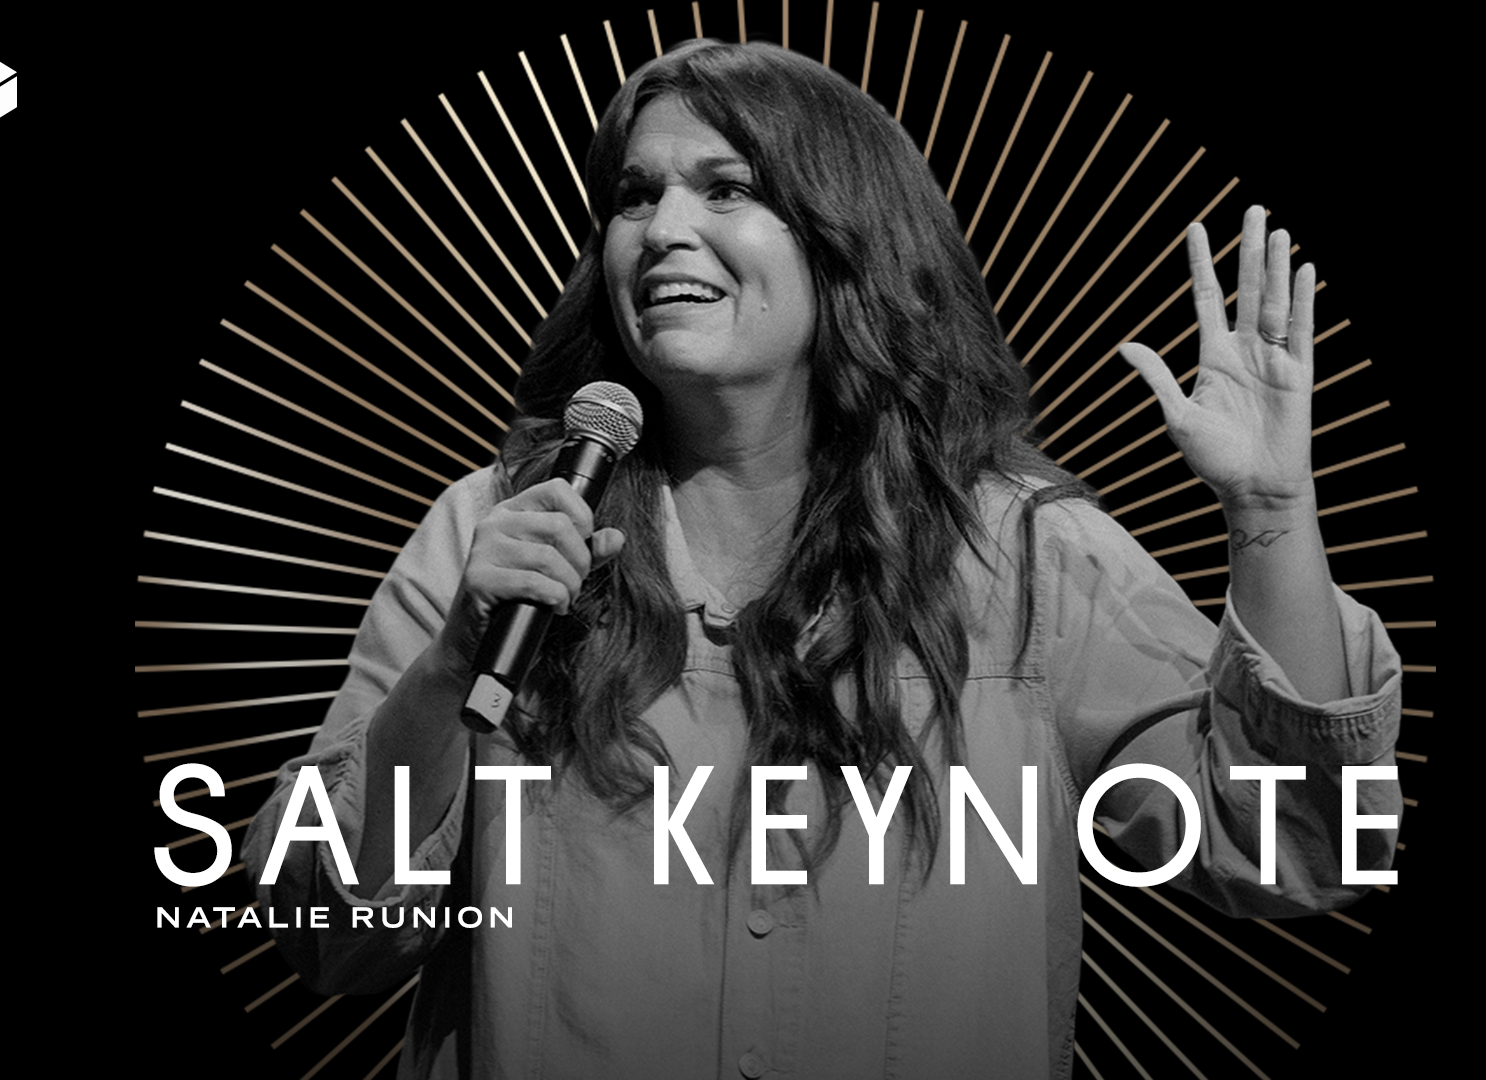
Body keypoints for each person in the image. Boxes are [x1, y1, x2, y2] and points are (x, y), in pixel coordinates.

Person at [244, 39, 1401, 1080]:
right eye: (635, 196)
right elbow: (323, 935)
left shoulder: (1020, 553)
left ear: (847, 238)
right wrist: (450, 672)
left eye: (728, 188)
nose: (661, 229)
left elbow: (1294, 844)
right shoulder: (496, 532)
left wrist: (1269, 513)